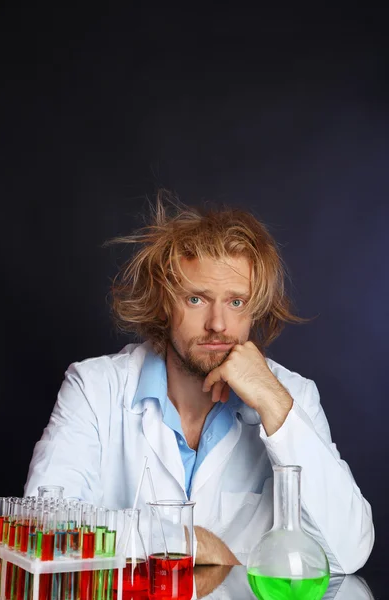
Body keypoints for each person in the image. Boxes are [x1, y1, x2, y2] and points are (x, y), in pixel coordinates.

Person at [24, 193, 374, 573]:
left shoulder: (291, 397)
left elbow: (347, 552)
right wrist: (185, 541)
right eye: (196, 299)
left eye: (236, 302)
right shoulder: (95, 388)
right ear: (163, 302)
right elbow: (43, 531)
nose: (218, 324)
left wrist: (275, 406)